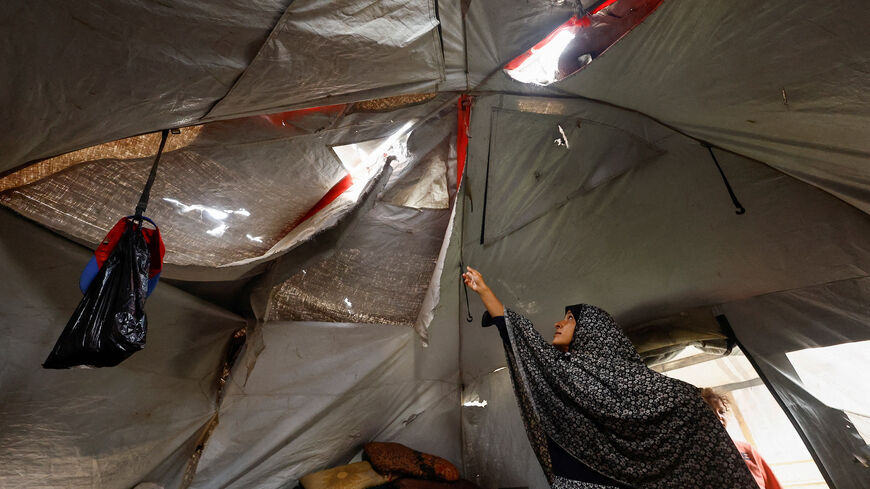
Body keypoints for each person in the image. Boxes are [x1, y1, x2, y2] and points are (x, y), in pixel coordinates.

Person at [462, 266, 757, 489]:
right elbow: (537, 354)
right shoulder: (570, 373)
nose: (558, 323)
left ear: (592, 331)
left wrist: (697, 408)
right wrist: (486, 294)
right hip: (581, 476)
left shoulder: (615, 376)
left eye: (569, 319)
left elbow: (682, 407)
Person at [700, 388, 784, 489]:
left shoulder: (746, 449)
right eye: (711, 413)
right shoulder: (696, 456)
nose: (719, 417)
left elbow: (772, 485)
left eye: (721, 411)